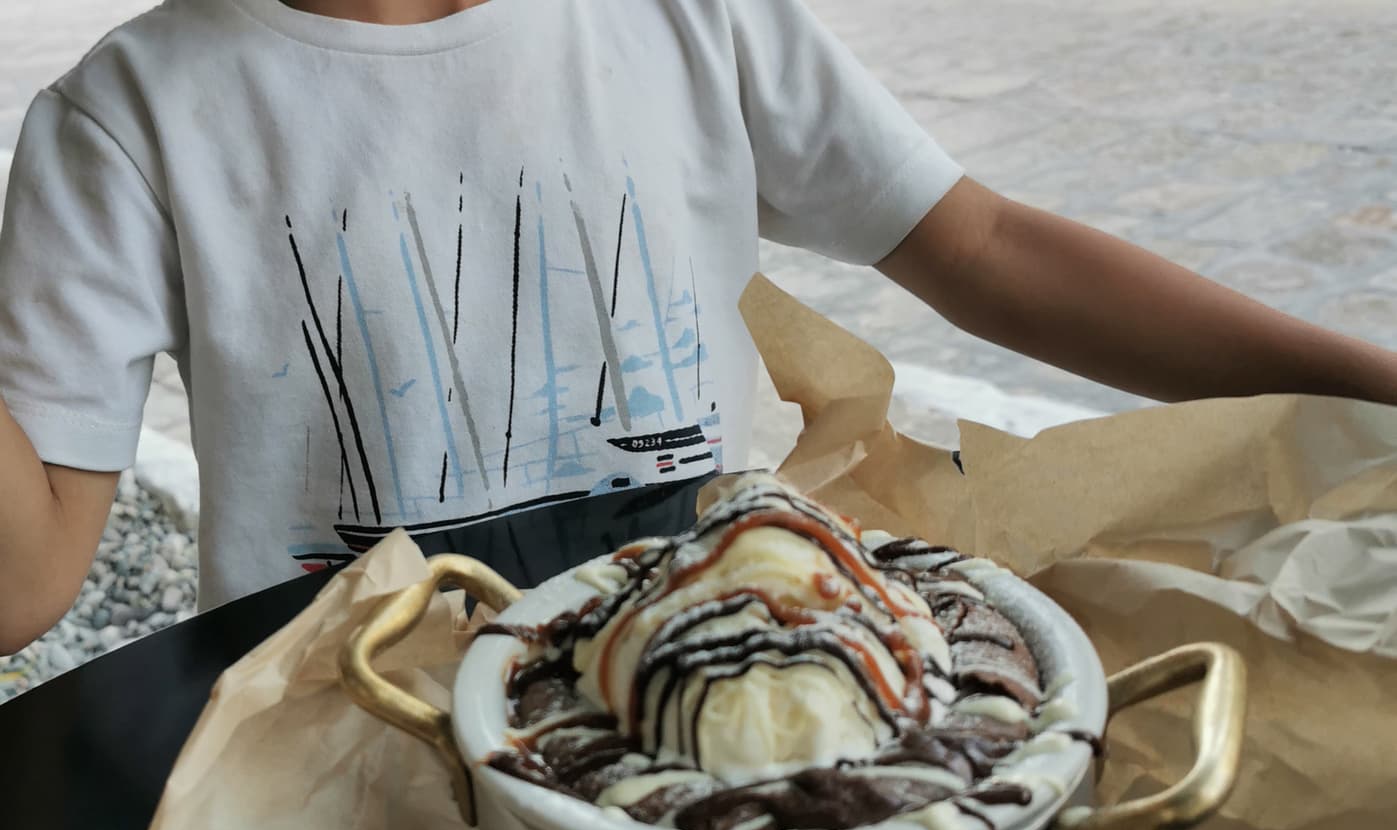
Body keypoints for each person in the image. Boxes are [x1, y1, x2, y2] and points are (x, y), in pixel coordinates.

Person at [1, 0, 1394, 656]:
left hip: (738, 670)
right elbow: (25, 583)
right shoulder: (123, 125)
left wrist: (1364, 387)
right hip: (349, 744)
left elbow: (981, 247)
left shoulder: (688, 20)